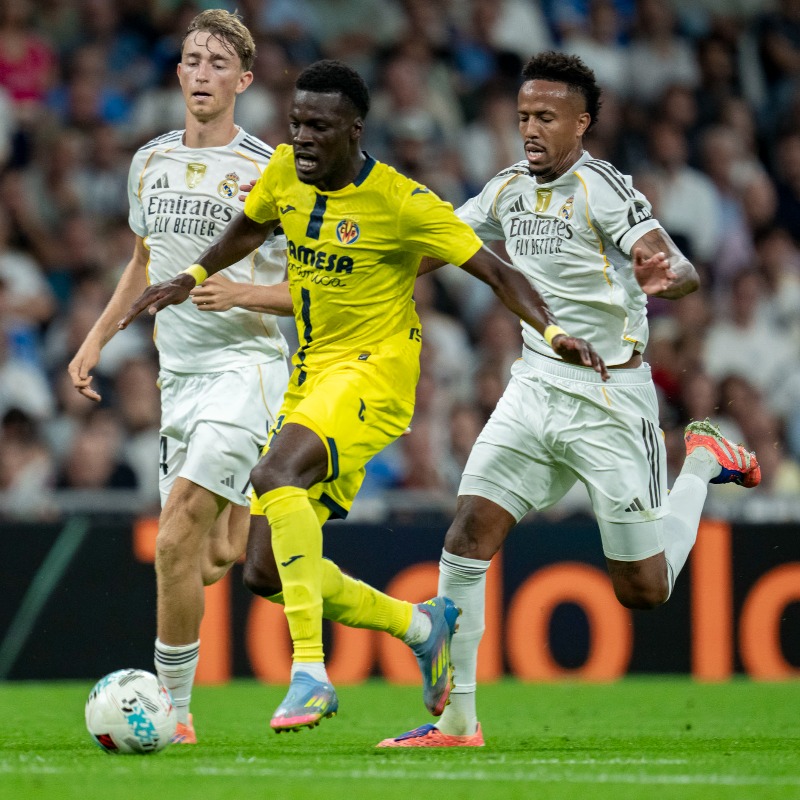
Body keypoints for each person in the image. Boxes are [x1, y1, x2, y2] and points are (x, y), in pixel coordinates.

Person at [119, 58, 608, 734]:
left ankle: (310, 674)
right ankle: (421, 625)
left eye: (319, 127)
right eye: (296, 124)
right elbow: (252, 224)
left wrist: (552, 331)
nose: (303, 138)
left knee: (273, 473)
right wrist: (194, 273)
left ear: (354, 130)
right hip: (313, 374)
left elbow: (496, 272)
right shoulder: (285, 172)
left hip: (376, 374)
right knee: (266, 573)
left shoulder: (403, 202)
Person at [376, 51, 762, 749]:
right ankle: (458, 722)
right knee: (466, 534)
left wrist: (665, 274)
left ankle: (702, 462)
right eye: (524, 115)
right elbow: (442, 245)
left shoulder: (603, 188)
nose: (530, 128)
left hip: (610, 400)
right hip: (534, 385)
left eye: (547, 117)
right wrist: (370, 269)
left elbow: (678, 265)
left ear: (581, 124)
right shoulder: (505, 190)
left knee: (645, 591)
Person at [67, 10, 291, 745]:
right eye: (193, 59)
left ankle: (174, 712)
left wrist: (246, 293)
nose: (202, 73)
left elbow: (322, 285)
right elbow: (142, 261)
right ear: (178, 72)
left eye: (218, 63)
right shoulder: (149, 161)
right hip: (181, 378)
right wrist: (97, 338)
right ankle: (256, 503)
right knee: (210, 558)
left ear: (244, 80)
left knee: (171, 542)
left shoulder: (271, 168)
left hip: (248, 368)